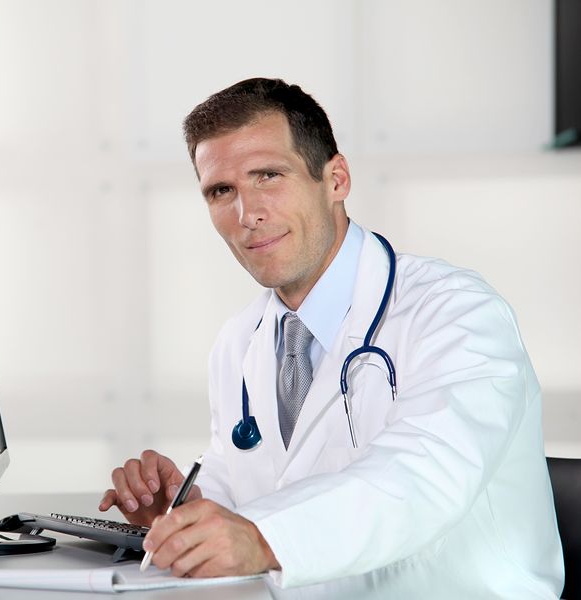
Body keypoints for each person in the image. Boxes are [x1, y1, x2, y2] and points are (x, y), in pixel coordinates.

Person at [98, 78, 564, 597]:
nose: (247, 215)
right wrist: (185, 512)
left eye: (268, 176)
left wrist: (263, 538)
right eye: (221, 191)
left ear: (336, 179)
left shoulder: (455, 311)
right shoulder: (240, 340)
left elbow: (424, 476)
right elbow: (245, 476)